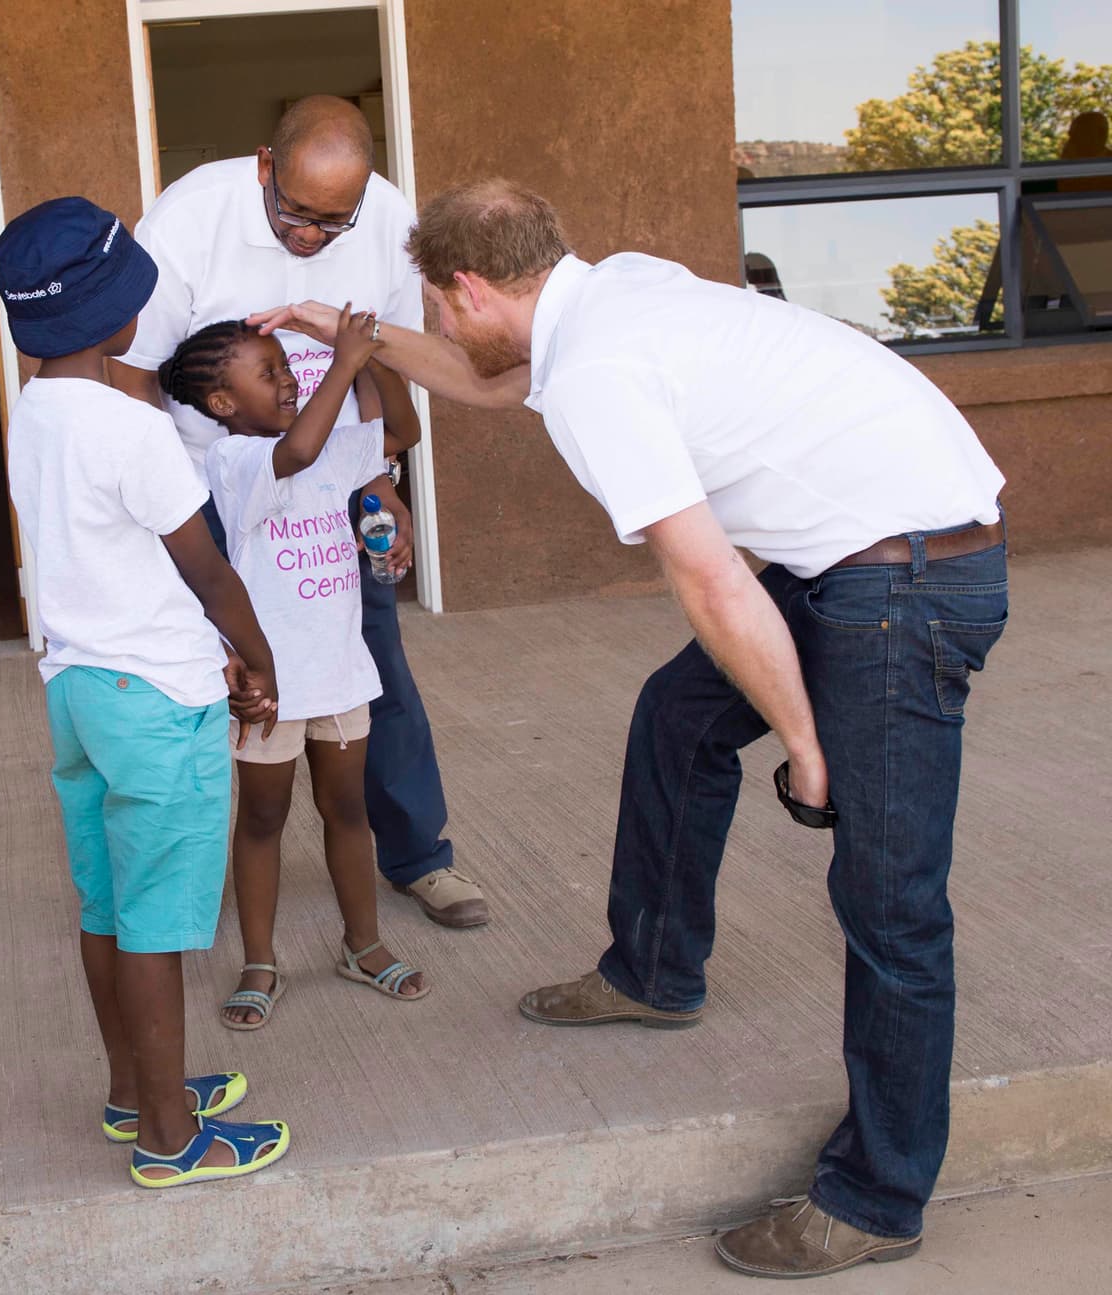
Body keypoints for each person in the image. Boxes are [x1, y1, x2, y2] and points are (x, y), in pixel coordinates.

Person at [253, 179, 1009, 1278]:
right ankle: (653, 969)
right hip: (859, 543)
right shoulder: (613, 291)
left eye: (435, 303)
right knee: (677, 716)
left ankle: (877, 1195)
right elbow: (480, 370)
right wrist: (355, 338)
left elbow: (710, 582)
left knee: (887, 900)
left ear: (467, 284)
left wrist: (805, 744)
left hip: (906, 581)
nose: (443, 324)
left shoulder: (600, 371)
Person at [109, 95, 487, 931]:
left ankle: (420, 857)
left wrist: (380, 478)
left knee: (370, 659)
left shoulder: (387, 218)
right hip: (206, 491)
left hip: (331, 483)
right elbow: (132, 372)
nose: (312, 237)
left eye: (333, 223)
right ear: (264, 165)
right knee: (201, 679)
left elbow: (383, 362)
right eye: (296, 216)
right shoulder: (187, 220)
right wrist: (168, 510)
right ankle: (191, 874)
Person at [0, 195, 290, 1189]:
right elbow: (206, 570)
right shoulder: (133, 428)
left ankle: (134, 1090)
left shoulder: (30, 417)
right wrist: (257, 657)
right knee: (160, 924)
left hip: (78, 689)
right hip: (160, 700)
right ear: (110, 313)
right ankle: (169, 1135)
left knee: (108, 906)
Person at [159, 307, 430, 1028]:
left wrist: (370, 359)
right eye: (270, 373)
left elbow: (403, 431)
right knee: (264, 817)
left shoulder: (327, 445)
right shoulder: (236, 459)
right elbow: (300, 452)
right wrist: (340, 359)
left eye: (288, 368)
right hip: (270, 686)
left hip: (339, 670)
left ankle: (362, 944)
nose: (287, 381)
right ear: (222, 405)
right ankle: (260, 959)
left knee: (348, 810)